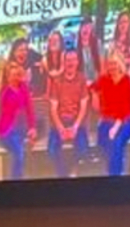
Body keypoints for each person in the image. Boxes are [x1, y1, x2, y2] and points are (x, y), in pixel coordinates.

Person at [91, 50, 130, 176]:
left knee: (116, 140)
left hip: (126, 120)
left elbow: (125, 108)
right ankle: (115, 165)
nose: (112, 67)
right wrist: (94, 94)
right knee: (102, 140)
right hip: (108, 119)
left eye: (115, 63)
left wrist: (115, 127)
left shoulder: (127, 81)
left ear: (120, 63)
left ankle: (115, 174)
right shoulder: (104, 79)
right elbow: (92, 87)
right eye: (110, 64)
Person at [48, 49, 90, 177]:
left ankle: (73, 170)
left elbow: (83, 106)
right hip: (59, 121)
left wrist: (75, 127)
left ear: (77, 62)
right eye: (67, 60)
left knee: (83, 149)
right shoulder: (57, 81)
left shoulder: (81, 79)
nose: (70, 63)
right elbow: (53, 108)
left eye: (73, 60)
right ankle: (62, 175)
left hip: (76, 121)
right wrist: (61, 128)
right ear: (64, 63)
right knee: (51, 150)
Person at [0, 63, 37, 180]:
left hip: (21, 129)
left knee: (22, 148)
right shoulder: (5, 91)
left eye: (17, 74)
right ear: (8, 77)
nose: (16, 77)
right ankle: (16, 179)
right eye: (13, 75)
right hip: (7, 131)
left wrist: (32, 128)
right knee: (19, 152)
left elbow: (29, 109)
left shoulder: (23, 88)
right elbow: (10, 113)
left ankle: (18, 177)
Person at [110, 11, 130, 78]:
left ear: (129, 24)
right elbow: (110, 61)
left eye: (125, 22)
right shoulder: (113, 42)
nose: (123, 25)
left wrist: (127, 78)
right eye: (120, 22)